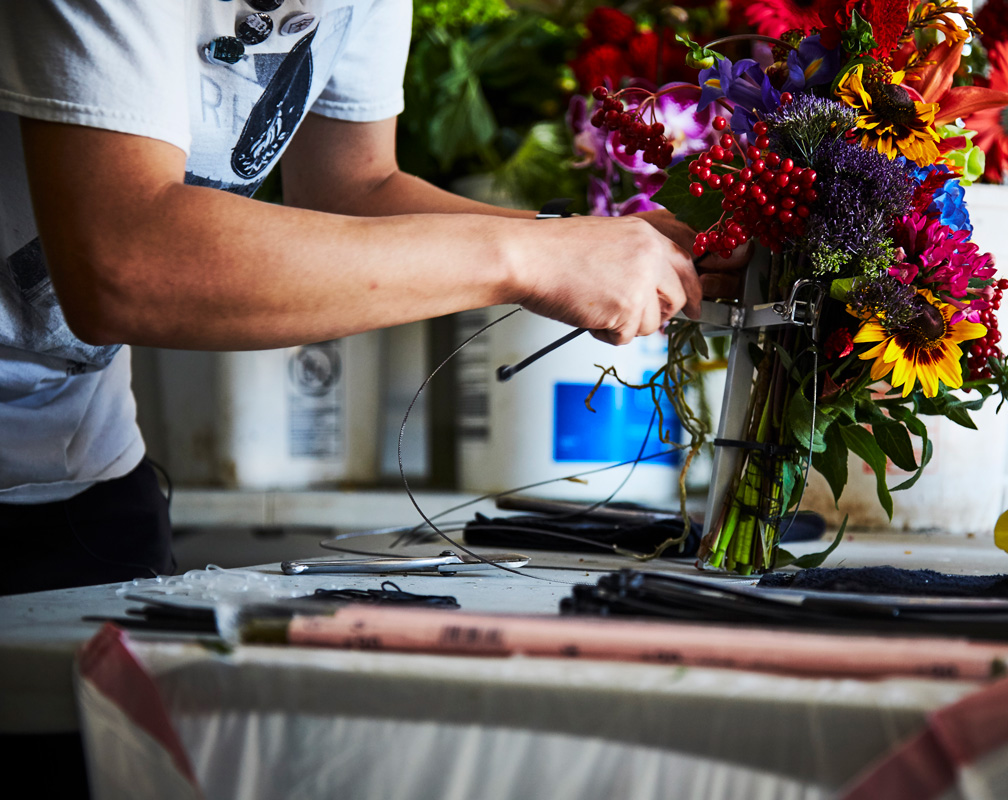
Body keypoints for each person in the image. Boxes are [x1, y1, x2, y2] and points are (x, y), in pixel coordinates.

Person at [0, 1, 741, 595]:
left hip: (84, 472)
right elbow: (121, 263)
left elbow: (353, 192)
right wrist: (531, 257)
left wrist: (606, 243)